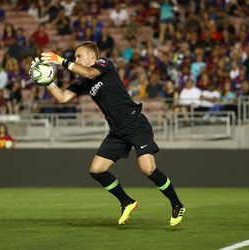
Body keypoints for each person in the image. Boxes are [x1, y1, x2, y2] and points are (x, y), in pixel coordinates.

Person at [35, 41, 185, 226]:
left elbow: (89, 72)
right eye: (75, 57)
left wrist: (60, 60)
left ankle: (177, 204)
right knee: (96, 170)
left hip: (135, 123)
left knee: (147, 169)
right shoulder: (83, 82)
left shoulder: (105, 64)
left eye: (79, 56)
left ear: (92, 56)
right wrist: (47, 81)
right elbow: (62, 97)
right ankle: (127, 202)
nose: (76, 59)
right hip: (117, 132)